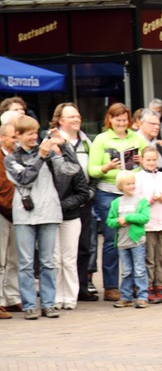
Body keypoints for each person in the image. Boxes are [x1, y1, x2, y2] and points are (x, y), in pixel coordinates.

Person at [5, 116, 68, 319]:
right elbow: (24, 178)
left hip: (49, 212)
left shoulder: (48, 152)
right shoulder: (11, 158)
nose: (34, 137)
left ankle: (49, 304)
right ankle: (30, 305)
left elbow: (70, 171)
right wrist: (40, 156)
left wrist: (63, 146)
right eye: (30, 133)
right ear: (19, 136)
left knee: (48, 261)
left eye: (36, 132)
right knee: (25, 262)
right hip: (24, 215)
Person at [87, 103, 147, 302]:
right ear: (109, 120)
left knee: (135, 237)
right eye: (117, 120)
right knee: (113, 240)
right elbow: (92, 169)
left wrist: (141, 161)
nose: (122, 123)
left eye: (124, 120)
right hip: (109, 193)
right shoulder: (101, 139)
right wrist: (107, 167)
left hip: (132, 192)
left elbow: (152, 160)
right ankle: (111, 286)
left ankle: (134, 286)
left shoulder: (136, 137)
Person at [50, 102, 97, 303]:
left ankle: (81, 287)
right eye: (71, 117)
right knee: (56, 254)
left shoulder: (87, 142)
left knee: (85, 246)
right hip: (56, 202)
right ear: (60, 120)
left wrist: (90, 192)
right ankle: (57, 293)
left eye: (77, 116)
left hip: (83, 198)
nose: (76, 119)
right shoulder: (51, 141)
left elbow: (94, 168)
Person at [134, 148, 162, 303]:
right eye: (148, 160)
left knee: (160, 258)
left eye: (154, 160)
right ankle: (148, 287)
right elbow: (136, 199)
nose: (151, 163)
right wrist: (148, 200)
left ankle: (159, 285)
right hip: (148, 224)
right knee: (149, 258)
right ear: (142, 160)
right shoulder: (138, 177)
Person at [105, 171, 150, 309]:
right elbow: (109, 221)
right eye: (127, 184)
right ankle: (126, 296)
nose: (131, 186)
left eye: (132, 183)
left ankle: (142, 296)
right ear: (120, 186)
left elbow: (145, 218)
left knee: (140, 269)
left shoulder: (141, 201)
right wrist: (118, 222)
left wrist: (128, 218)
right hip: (122, 242)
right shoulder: (116, 203)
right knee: (126, 271)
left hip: (137, 241)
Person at [0, 122, 20, 318]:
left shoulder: (19, 157)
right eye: (13, 136)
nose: (16, 140)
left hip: (19, 212)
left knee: (15, 258)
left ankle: (12, 298)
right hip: (3, 211)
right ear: (2, 138)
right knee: (0, 259)